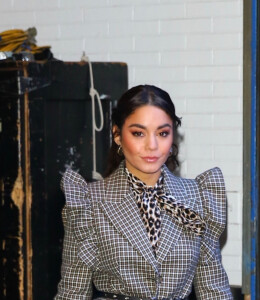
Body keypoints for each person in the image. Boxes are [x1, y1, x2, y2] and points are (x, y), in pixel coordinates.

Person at [55, 85, 233, 300]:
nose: (152, 145)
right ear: (117, 135)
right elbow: (73, 291)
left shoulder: (199, 197)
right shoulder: (89, 202)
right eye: (138, 133)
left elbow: (214, 290)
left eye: (162, 133)